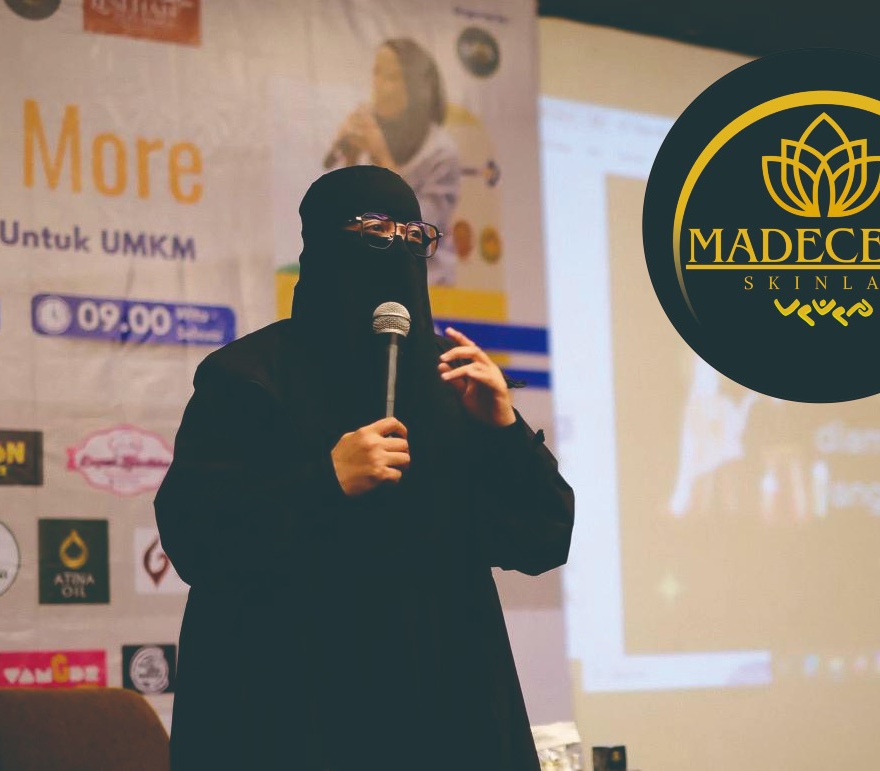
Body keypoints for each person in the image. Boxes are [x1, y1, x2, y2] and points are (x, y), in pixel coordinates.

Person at [154, 165, 573, 769]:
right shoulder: (248, 378)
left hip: (444, 706)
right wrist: (324, 482)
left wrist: (504, 429)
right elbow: (197, 542)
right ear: (323, 245)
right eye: (375, 230)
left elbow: (543, 539)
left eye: (413, 235)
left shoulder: (453, 381)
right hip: (294, 710)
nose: (398, 249)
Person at [326, 38, 461, 285]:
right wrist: (351, 159)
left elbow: (418, 232)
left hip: (427, 288)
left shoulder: (441, 151)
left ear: (414, 87)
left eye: (391, 77)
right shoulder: (374, 132)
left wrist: (382, 156)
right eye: (376, 73)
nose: (378, 85)